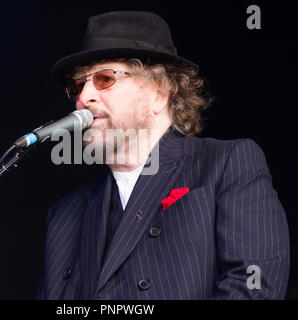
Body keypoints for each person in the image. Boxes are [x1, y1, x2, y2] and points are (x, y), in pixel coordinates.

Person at [37, 10, 290, 299]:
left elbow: (253, 287)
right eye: (78, 85)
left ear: (158, 91)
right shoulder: (64, 213)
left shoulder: (227, 164)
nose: (83, 97)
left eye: (104, 78)